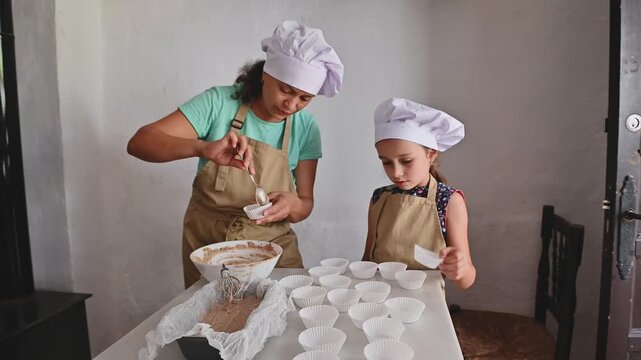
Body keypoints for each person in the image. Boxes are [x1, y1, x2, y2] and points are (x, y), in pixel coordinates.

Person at [127, 20, 344, 287]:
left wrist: (293, 205)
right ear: (266, 74)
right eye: (285, 90)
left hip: (272, 246)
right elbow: (140, 142)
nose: (291, 104)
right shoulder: (219, 103)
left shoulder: (306, 127)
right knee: (215, 320)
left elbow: (305, 204)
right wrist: (203, 147)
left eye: (304, 98)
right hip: (210, 245)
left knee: (283, 318)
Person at [362, 98, 476, 289]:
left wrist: (460, 267)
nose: (396, 172)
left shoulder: (449, 201)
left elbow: (466, 281)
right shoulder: (379, 198)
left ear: (431, 155)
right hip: (380, 296)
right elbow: (368, 260)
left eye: (406, 161)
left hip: (425, 301)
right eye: (386, 162)